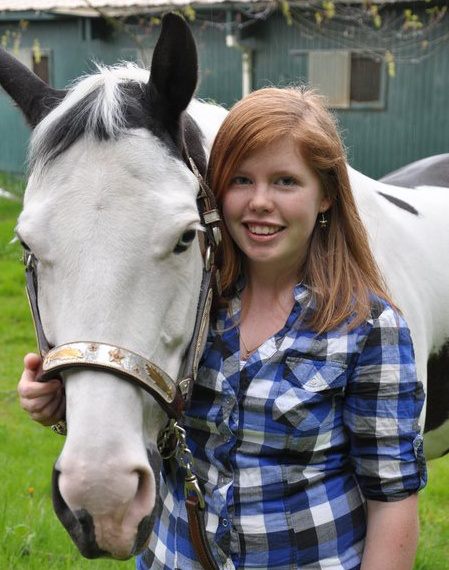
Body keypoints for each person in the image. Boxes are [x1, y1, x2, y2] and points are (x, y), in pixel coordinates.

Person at [18, 87, 426, 570]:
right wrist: (65, 400)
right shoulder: (193, 304)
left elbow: (392, 497)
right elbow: (138, 389)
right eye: (240, 180)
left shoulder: (368, 328)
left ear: (327, 196)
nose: (260, 202)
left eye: (286, 182)